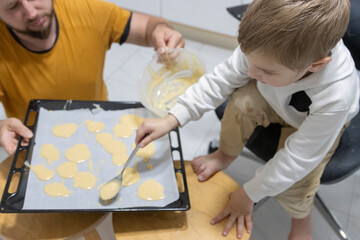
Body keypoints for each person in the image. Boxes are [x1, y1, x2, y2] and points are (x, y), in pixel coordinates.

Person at [135, 0, 359, 239]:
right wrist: (172, 119)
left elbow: (299, 158)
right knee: (241, 100)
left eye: (266, 71)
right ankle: (224, 155)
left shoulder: (336, 96)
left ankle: (301, 218)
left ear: (315, 65)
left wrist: (249, 193)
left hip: (314, 124)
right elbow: (220, 80)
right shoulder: (264, 52)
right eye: (249, 61)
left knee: (299, 180)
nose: (251, 73)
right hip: (275, 97)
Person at [0, 0, 185, 155]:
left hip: (99, 126)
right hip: (37, 143)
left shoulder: (84, 9)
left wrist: (160, 30)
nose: (31, 13)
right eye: (12, 6)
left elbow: (148, 26)